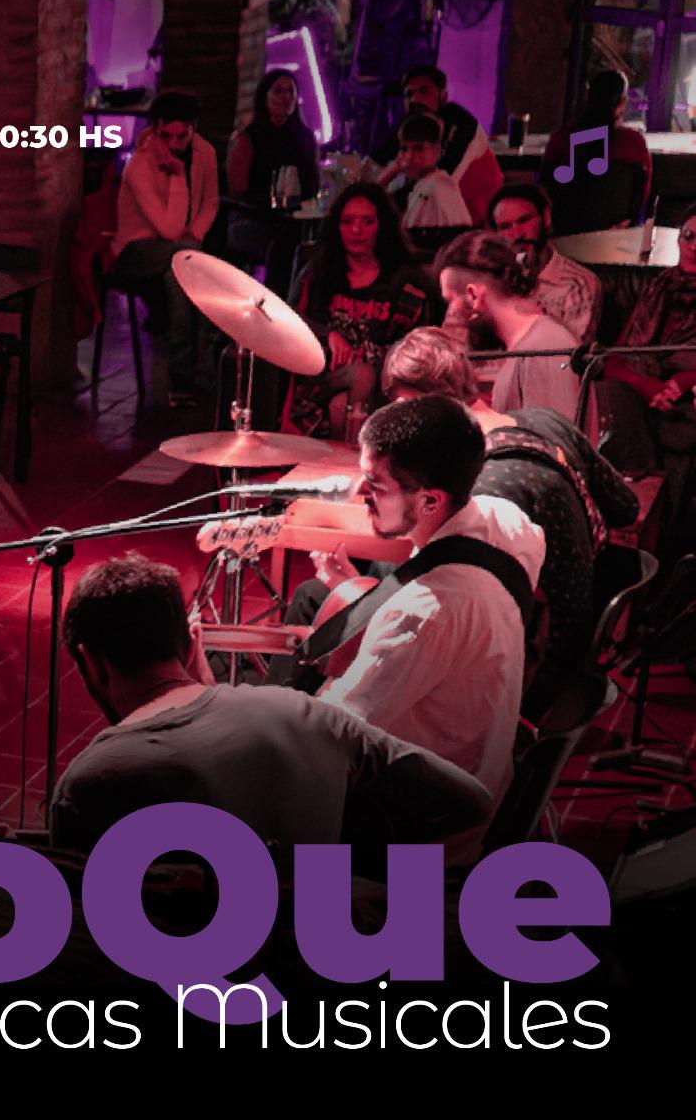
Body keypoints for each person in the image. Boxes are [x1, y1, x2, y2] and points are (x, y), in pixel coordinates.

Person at [51, 554, 490, 858]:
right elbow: (470, 801)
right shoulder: (309, 715)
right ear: (191, 641)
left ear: (91, 661)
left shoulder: (91, 782)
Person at [272, 396, 545, 865]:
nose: (360, 491)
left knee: (270, 784)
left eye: (376, 484)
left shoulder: (423, 614)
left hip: (423, 833)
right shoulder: (506, 521)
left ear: (431, 500)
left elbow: (330, 737)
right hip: (477, 773)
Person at [381, 326, 639, 715]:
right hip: (586, 633)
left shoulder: (483, 487)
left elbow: (454, 609)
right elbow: (626, 507)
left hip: (534, 675)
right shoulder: (547, 422)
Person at [282, 182, 438, 439]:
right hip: (324, 378)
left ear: (381, 226)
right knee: (358, 374)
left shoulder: (405, 280)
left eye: (367, 222)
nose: (357, 230)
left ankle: (349, 455)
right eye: (348, 222)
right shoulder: (318, 273)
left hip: (383, 382)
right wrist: (328, 335)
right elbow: (287, 317)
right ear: (337, 227)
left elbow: (423, 340)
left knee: (340, 405)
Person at [110, 91, 219, 408]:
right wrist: (177, 176)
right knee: (186, 263)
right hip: (137, 249)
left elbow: (210, 201)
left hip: (181, 249)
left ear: (193, 129)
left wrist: (195, 235)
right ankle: (190, 377)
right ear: (155, 129)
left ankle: (191, 377)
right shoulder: (141, 164)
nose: (174, 144)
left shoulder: (205, 153)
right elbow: (168, 228)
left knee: (178, 276)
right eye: (166, 135)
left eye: (181, 136)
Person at [600, 202, 696, 528]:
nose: (695, 246)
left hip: (685, 399)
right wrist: (649, 387)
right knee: (609, 390)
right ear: (679, 239)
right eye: (689, 236)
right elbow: (617, 356)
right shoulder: (658, 288)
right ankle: (644, 508)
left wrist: (684, 380)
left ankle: (654, 519)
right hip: (645, 386)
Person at [435, 231, 583, 425]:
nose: (451, 312)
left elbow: (555, 439)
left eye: (450, 300)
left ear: (473, 296)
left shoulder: (544, 346)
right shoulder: (529, 346)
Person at [225, 70, 319, 295]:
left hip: (294, 219)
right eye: (278, 91)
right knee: (285, 246)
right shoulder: (249, 138)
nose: (286, 97)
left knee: (314, 241)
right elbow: (237, 189)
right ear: (264, 97)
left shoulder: (304, 137)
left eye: (290, 92)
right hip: (252, 216)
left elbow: (312, 184)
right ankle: (276, 304)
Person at [370, 64, 502, 225]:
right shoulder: (411, 124)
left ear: (443, 96)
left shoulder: (463, 126)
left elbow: (442, 177)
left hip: (478, 224)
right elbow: (372, 164)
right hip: (432, 218)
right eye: (409, 94)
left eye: (424, 91)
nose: (415, 99)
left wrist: (380, 205)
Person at [487, 183, 602, 344]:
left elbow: (570, 350)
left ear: (546, 218)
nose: (517, 235)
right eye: (505, 227)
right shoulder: (491, 278)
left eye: (524, 220)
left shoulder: (578, 283)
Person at [540, 69, 651, 236]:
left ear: (588, 97)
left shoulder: (562, 138)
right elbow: (642, 196)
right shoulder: (634, 143)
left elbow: (545, 187)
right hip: (616, 236)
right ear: (623, 102)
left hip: (564, 235)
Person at [378, 112, 471, 230]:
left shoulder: (439, 185)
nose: (409, 157)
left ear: (436, 150)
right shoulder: (421, 185)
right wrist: (392, 171)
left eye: (418, 149)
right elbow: (372, 201)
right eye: (404, 149)